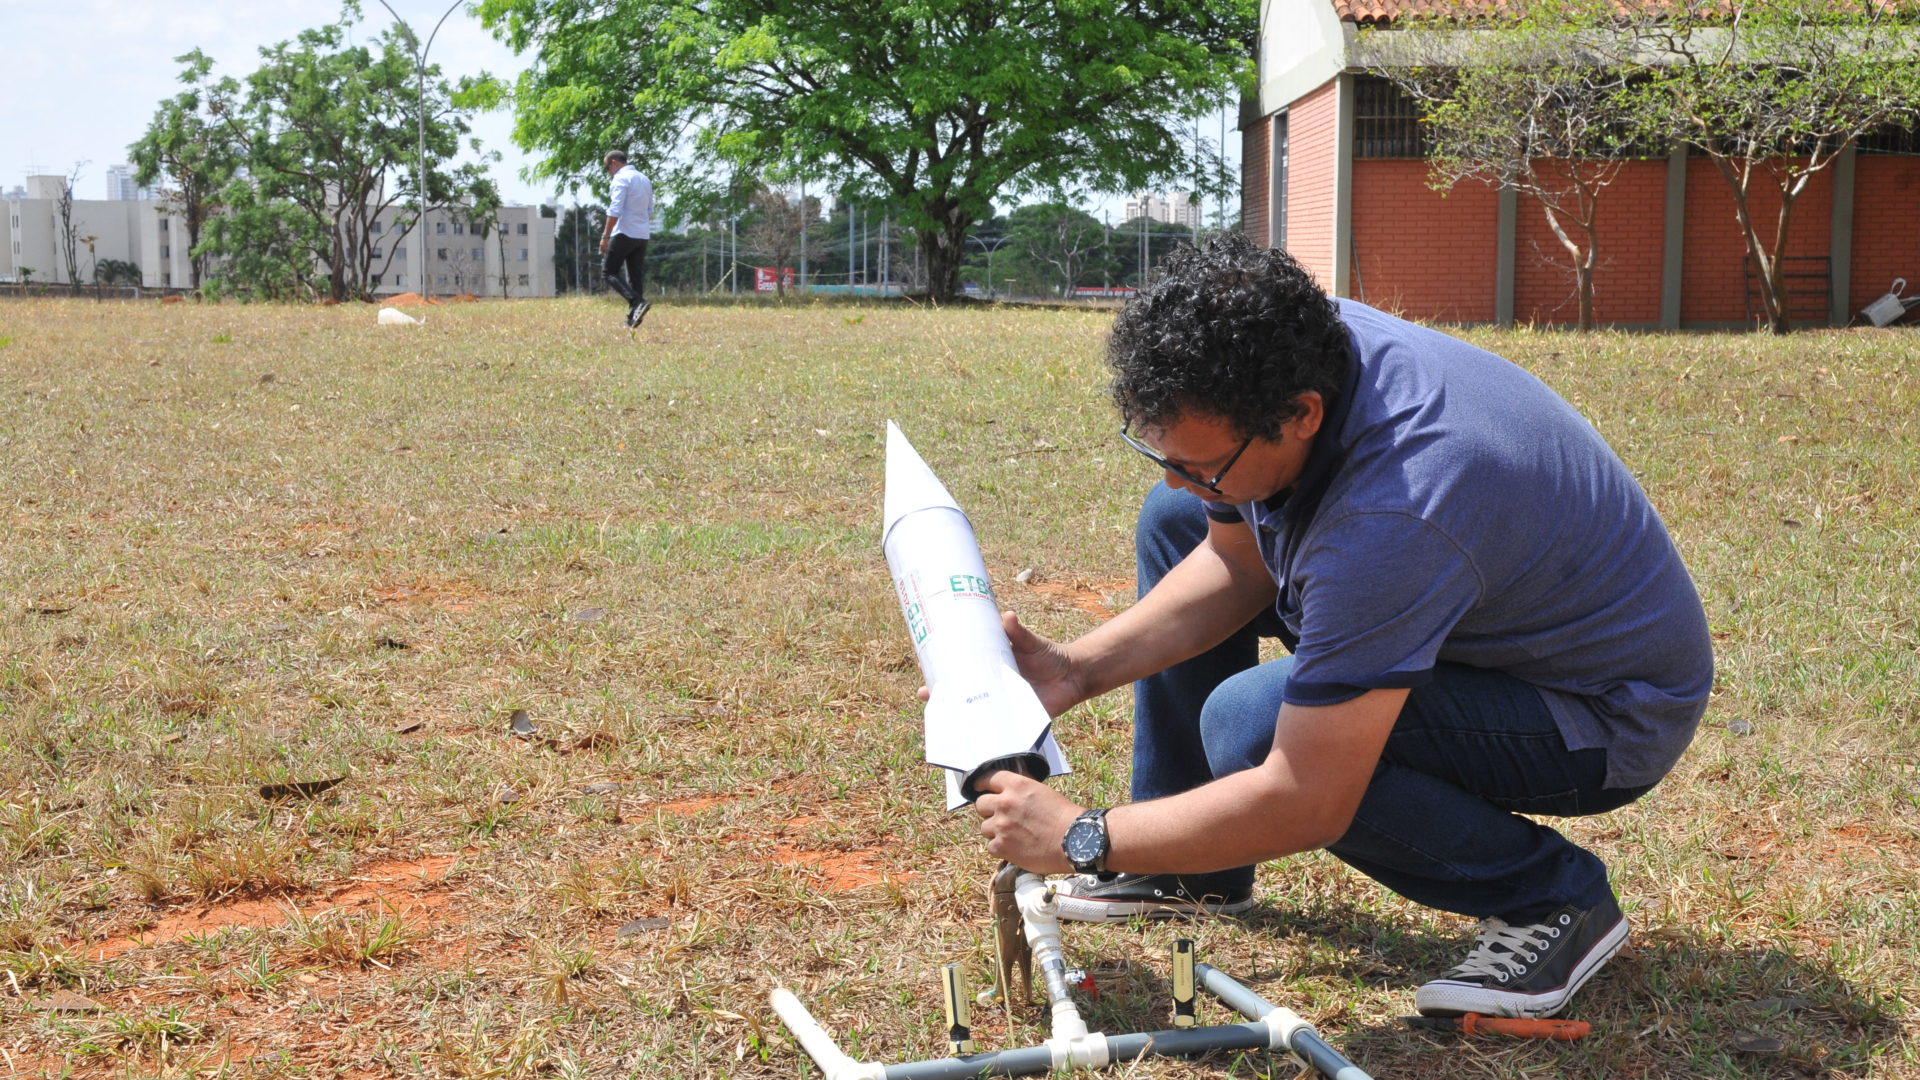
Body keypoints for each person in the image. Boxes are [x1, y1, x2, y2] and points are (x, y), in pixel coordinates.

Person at [970, 232, 1713, 1020]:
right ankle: (1194, 867)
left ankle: (1552, 899)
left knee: (1252, 726)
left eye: (1202, 462)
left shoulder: (1394, 511)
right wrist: (1075, 671)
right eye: (1162, 449)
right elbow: (1234, 560)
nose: (1177, 472)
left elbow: (1307, 796)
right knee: (1177, 518)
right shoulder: (1286, 346)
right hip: (1484, 624)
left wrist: (1085, 835)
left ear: (1301, 417)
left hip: (1598, 715)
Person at [598, 151, 653, 328]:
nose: (609, 172)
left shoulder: (621, 179)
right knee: (635, 277)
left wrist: (605, 236)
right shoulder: (644, 179)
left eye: (607, 168)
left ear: (614, 163)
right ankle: (632, 321)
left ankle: (637, 301)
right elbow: (650, 209)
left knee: (609, 272)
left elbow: (615, 209)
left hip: (623, 232)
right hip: (642, 234)